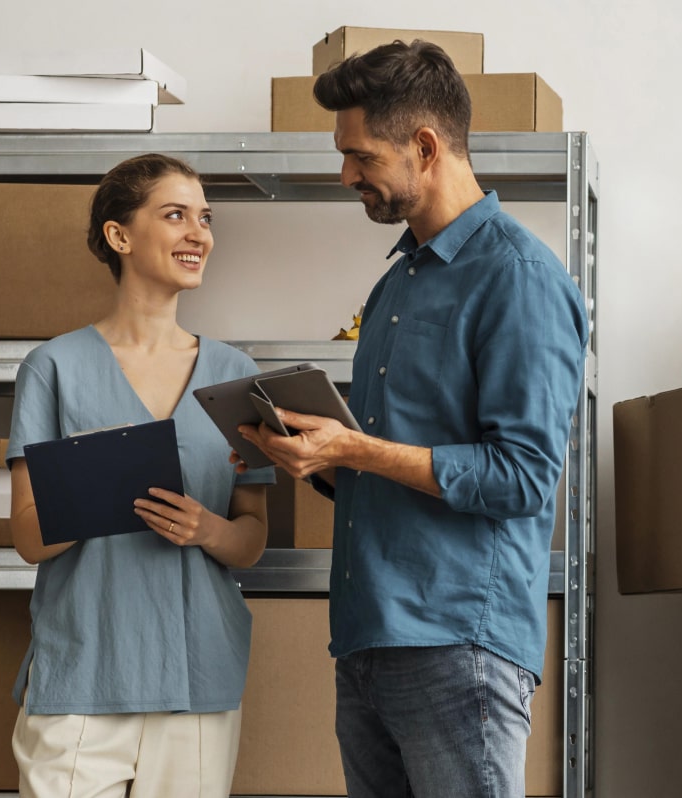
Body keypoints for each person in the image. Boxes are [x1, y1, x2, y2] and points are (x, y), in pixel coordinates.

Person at [238, 41, 589, 798]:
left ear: (424, 147)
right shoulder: (396, 284)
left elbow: (524, 476)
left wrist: (357, 450)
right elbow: (381, 458)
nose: (345, 176)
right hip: (368, 638)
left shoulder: (519, 279)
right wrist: (316, 456)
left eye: (359, 155)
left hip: (458, 641)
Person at [5, 153, 274, 798]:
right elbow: (27, 539)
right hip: (83, 676)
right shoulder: (53, 368)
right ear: (118, 236)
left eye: (204, 218)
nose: (198, 233)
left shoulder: (238, 375)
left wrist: (207, 529)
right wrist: (95, 483)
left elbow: (253, 539)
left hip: (198, 677)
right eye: (175, 214)